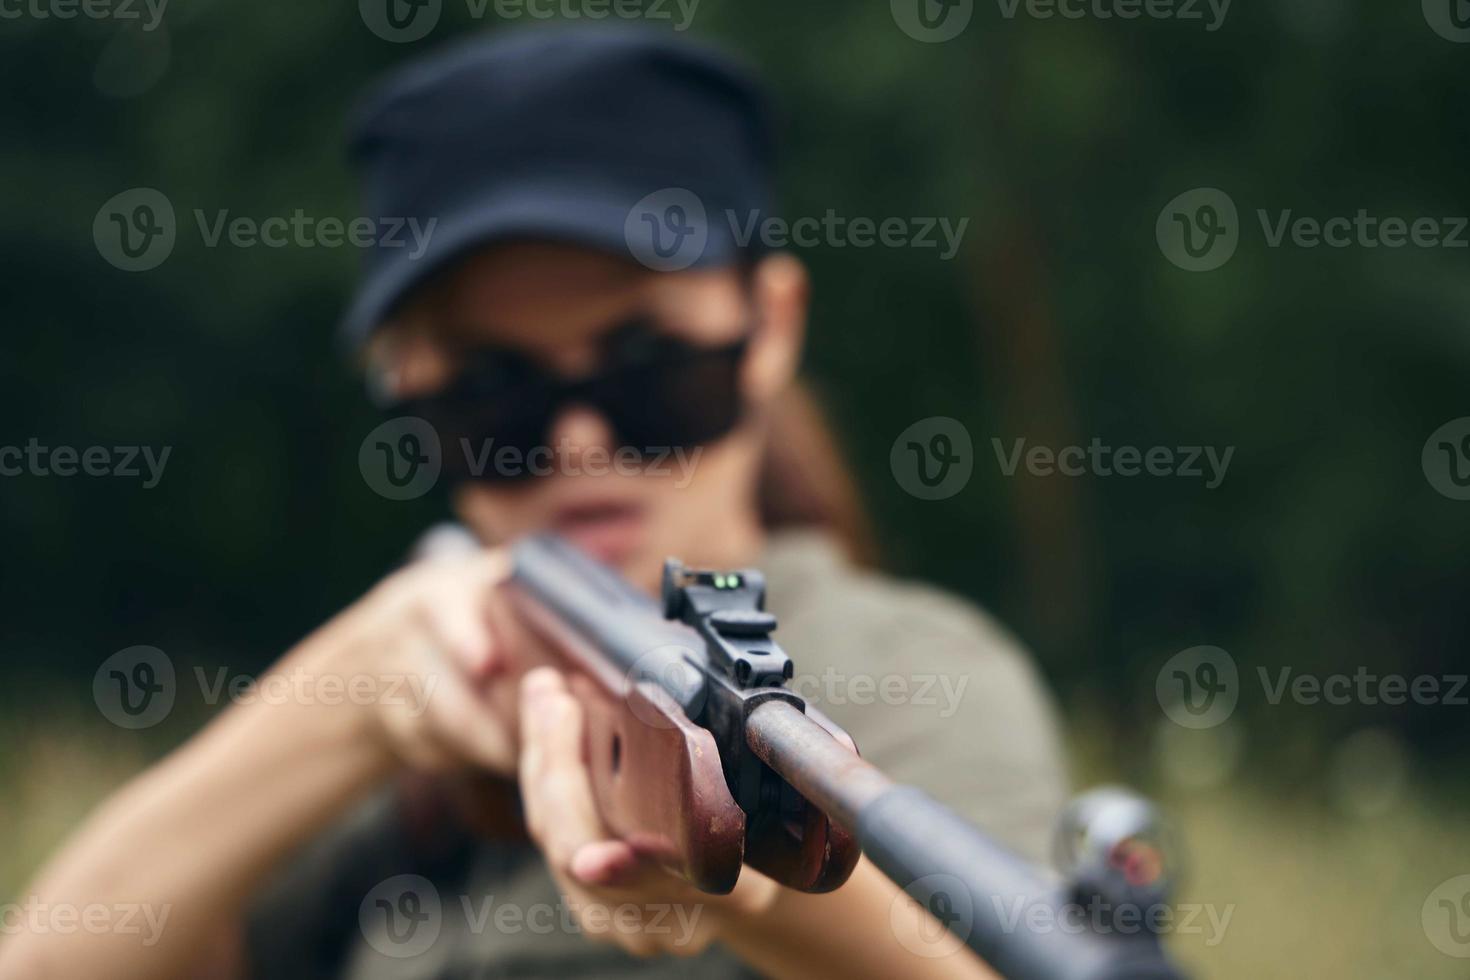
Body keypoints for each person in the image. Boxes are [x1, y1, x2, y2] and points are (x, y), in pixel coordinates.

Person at [1, 26, 1068, 980]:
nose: (579, 441)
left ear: (771, 325)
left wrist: (751, 881)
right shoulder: (424, 720)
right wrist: (349, 693)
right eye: (490, 397)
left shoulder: (911, 677)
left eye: (648, 370)